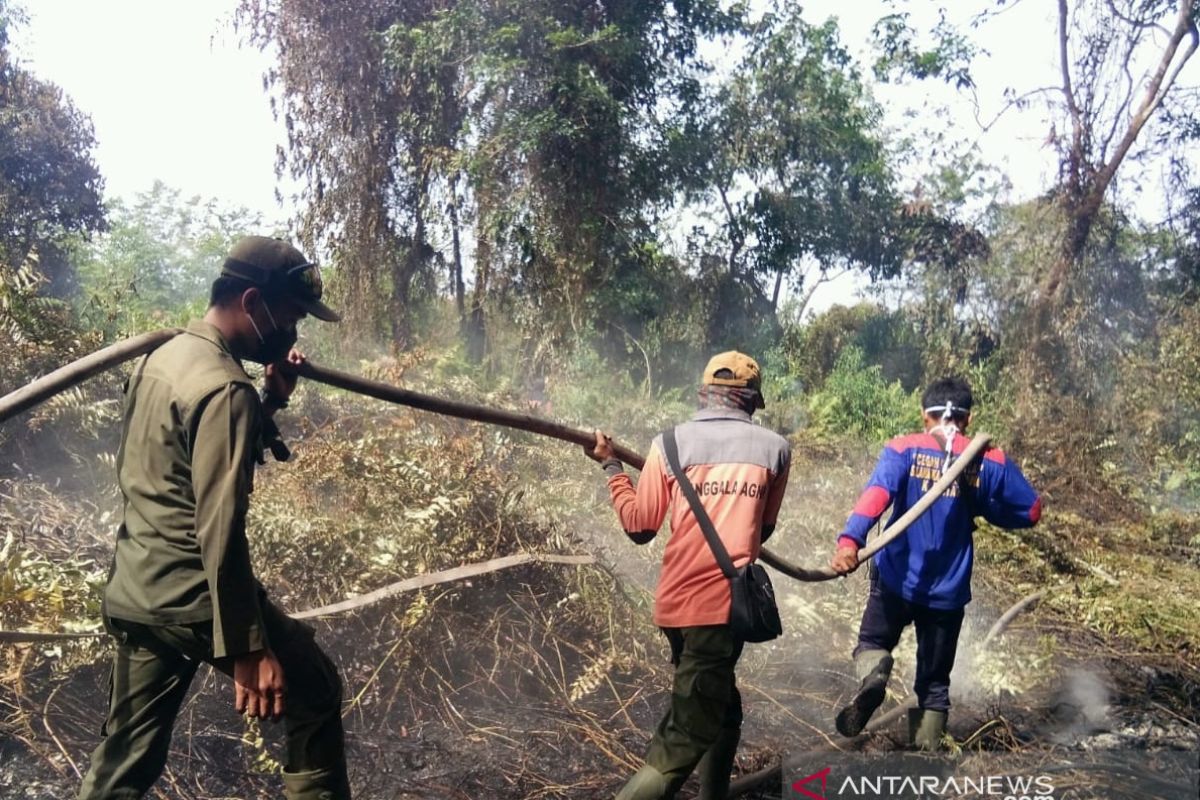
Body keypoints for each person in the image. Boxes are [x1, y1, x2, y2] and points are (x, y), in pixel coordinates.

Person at [78, 236, 350, 800]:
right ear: (252, 302)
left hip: (138, 591)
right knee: (317, 689)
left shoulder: (165, 358)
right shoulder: (225, 387)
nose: (293, 333)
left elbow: (187, 466)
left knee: (125, 757)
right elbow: (218, 526)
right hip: (196, 596)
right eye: (292, 317)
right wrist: (248, 648)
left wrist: (271, 399)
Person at [585, 351, 791, 800]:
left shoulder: (670, 445)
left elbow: (640, 526)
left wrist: (611, 467)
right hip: (721, 611)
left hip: (677, 606)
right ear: (752, 401)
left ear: (704, 394)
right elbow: (763, 530)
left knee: (723, 707)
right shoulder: (776, 450)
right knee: (681, 742)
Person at [830, 376, 1041, 750]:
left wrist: (850, 541)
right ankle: (924, 759)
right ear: (968, 418)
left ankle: (876, 675)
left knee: (873, 642)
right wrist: (987, 495)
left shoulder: (904, 448)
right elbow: (1031, 510)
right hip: (947, 591)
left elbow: (877, 495)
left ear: (924, 415)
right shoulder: (987, 459)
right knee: (934, 686)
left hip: (896, 577)